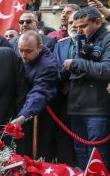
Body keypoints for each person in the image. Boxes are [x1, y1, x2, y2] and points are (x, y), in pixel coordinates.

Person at [63, 7, 110, 170]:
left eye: (83, 26)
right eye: (76, 28)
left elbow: (106, 69)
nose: (78, 31)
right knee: (81, 152)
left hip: (98, 108)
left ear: (98, 22)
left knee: (97, 154)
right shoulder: (80, 39)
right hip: (77, 106)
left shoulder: (107, 39)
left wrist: (75, 63)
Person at [11, 30, 58, 161]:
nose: (23, 55)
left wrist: (24, 114)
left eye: (28, 51)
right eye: (20, 50)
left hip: (41, 110)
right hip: (20, 105)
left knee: (39, 151)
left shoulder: (48, 65)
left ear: (40, 48)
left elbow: (40, 91)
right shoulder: (17, 49)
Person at [52, 11, 79, 165]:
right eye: (70, 23)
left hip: (86, 99)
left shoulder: (93, 44)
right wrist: (64, 81)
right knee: (63, 138)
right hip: (63, 98)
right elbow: (54, 69)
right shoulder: (60, 44)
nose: (73, 26)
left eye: (76, 22)